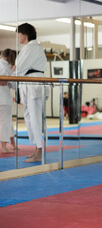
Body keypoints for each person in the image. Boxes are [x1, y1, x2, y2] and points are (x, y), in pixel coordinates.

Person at [13, 23, 48, 162]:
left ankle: (39, 150)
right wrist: (16, 69)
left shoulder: (33, 47)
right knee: (29, 117)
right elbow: (19, 68)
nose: (18, 37)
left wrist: (16, 69)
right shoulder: (29, 48)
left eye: (19, 34)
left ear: (25, 34)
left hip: (34, 85)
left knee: (35, 117)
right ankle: (36, 148)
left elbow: (20, 68)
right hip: (29, 84)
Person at [0, 49, 17, 153]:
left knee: (6, 122)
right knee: (5, 122)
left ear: (2, 55)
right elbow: (14, 85)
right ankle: (4, 147)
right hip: (4, 99)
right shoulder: (9, 69)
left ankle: (12, 144)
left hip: (4, 98)